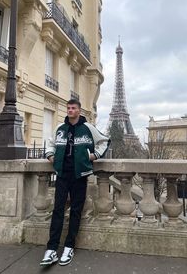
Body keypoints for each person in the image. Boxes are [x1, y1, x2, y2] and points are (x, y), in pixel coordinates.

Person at [40, 99, 110, 266]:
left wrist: (94, 156)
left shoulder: (88, 128)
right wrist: (51, 155)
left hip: (80, 175)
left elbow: (105, 141)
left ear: (79, 111)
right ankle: (51, 248)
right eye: (68, 108)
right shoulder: (60, 128)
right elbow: (50, 143)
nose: (70, 110)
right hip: (62, 174)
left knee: (76, 211)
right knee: (58, 209)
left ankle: (69, 246)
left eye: (73, 108)